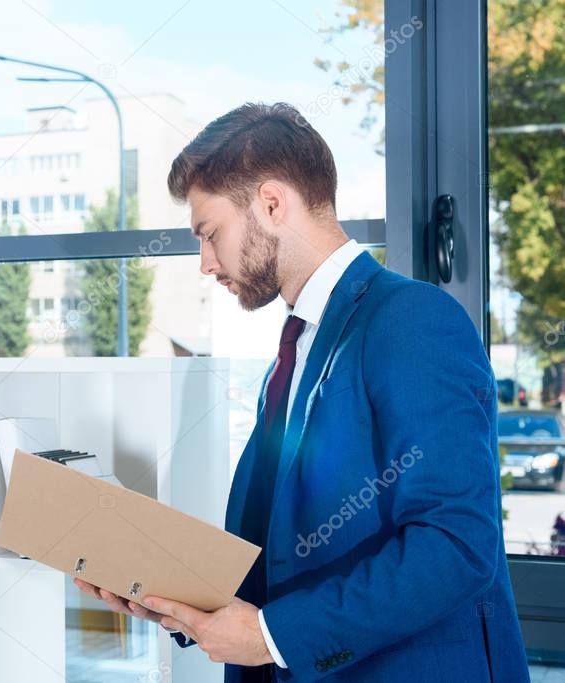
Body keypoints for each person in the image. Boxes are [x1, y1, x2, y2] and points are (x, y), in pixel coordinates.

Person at [75, 102, 529, 681]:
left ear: (271, 203)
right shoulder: (296, 349)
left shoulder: (412, 320)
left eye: (210, 234)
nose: (205, 264)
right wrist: (169, 596)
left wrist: (271, 636)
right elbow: (284, 549)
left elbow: (455, 546)